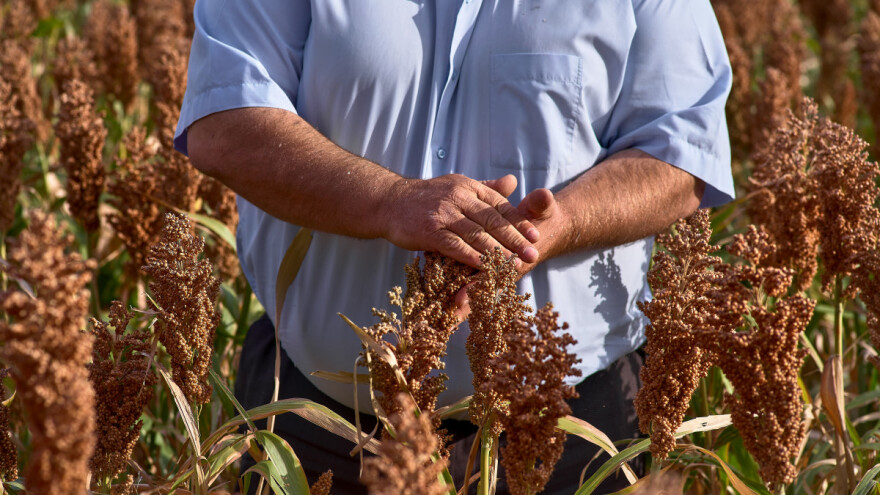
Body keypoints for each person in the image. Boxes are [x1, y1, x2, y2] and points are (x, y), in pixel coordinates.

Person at [174, 1, 734, 493]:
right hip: (323, 431)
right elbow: (224, 122)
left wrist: (557, 225)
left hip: (568, 435)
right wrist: (388, 201)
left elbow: (681, 149)